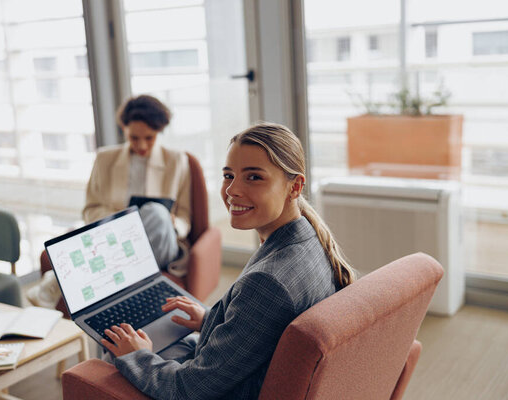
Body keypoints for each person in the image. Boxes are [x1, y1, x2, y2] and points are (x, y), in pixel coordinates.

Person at [100, 122, 357, 399]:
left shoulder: (267, 283)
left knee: (113, 353)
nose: (232, 190)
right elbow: (265, 328)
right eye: (228, 175)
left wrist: (137, 357)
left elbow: (187, 390)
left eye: (254, 177)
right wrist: (212, 319)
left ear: (295, 187)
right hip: (241, 371)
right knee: (153, 338)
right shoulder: (308, 240)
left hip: (227, 391)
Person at [27, 95, 191, 308]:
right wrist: (123, 221)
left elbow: (186, 216)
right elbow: (90, 209)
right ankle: (111, 293)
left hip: (161, 243)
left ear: (159, 132)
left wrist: (172, 221)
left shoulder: (177, 160)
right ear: (124, 129)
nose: (141, 145)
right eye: (134, 138)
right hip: (113, 238)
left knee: (156, 212)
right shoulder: (105, 159)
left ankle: (57, 283)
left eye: (149, 138)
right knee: (89, 237)